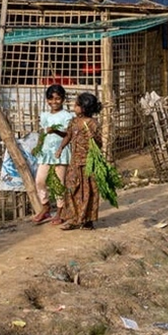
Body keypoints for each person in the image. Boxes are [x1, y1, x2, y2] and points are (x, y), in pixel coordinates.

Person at [55, 92, 103, 231]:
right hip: (74, 163)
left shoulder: (93, 124)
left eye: (76, 105)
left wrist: (92, 137)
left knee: (89, 192)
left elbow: (99, 145)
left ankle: (87, 220)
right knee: (71, 189)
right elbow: (68, 136)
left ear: (84, 107)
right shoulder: (73, 122)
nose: (73, 107)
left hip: (88, 164)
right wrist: (61, 148)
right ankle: (72, 219)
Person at [32, 84, 73, 225]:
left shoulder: (67, 116)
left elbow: (68, 134)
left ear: (63, 99)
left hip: (60, 152)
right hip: (46, 152)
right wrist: (38, 147)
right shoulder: (45, 116)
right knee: (40, 180)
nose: (54, 102)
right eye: (51, 99)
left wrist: (55, 131)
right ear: (47, 100)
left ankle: (61, 211)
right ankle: (46, 206)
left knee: (58, 183)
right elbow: (43, 134)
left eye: (57, 99)